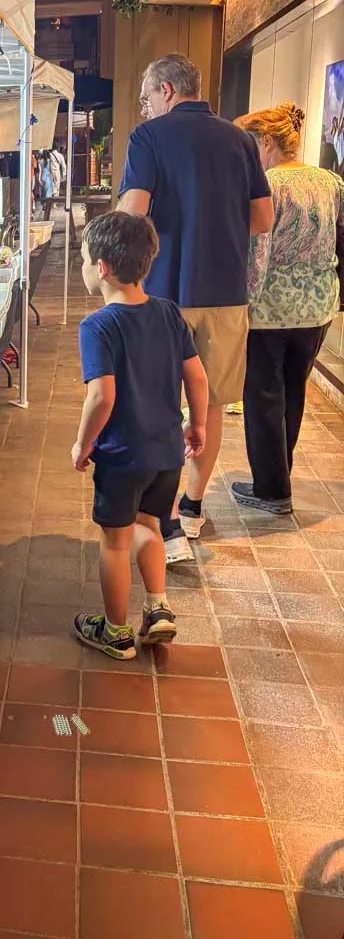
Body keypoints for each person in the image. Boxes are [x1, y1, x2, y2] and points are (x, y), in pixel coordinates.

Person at [119, 53, 273, 563]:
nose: (145, 109)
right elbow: (264, 219)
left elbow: (133, 213)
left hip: (163, 293)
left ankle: (162, 519)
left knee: (160, 401)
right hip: (227, 292)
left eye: (145, 98)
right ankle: (192, 506)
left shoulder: (150, 138)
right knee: (211, 403)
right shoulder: (241, 140)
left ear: (165, 89)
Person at [72, 212, 209, 659]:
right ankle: (157, 609)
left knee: (115, 540)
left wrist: (83, 442)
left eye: (85, 259)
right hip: (167, 452)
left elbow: (102, 398)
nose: (85, 266)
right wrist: (198, 424)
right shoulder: (168, 313)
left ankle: (115, 631)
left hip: (122, 456)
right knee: (151, 525)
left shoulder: (98, 326)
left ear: (104, 268)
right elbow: (198, 379)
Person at [231, 103, 344, 513]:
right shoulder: (330, 181)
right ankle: (280, 475)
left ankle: (272, 490)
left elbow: (257, 250)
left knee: (262, 395)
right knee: (294, 390)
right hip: (318, 305)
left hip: (272, 307)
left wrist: (245, 301)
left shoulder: (267, 185)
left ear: (266, 142)